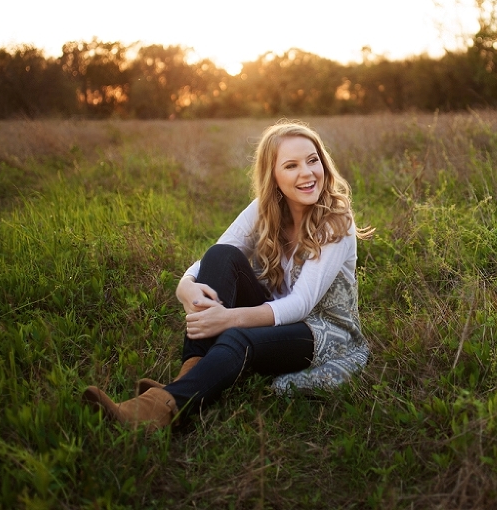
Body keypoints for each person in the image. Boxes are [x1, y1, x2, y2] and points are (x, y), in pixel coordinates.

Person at [83, 121, 372, 432]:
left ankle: (165, 407)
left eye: (313, 160)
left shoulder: (335, 222)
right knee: (222, 258)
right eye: (291, 165)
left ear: (323, 163)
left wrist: (228, 319)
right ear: (273, 177)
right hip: (274, 316)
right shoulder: (265, 208)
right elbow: (217, 252)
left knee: (237, 336)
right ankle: (184, 384)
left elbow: (301, 304)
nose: (307, 173)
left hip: (322, 332)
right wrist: (185, 286)